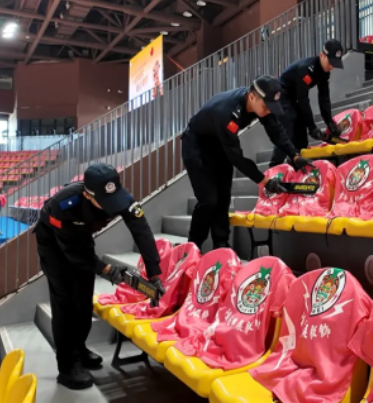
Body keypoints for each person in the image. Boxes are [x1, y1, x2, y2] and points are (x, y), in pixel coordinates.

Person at [35, 163, 165, 390]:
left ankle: (80, 349)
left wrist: (154, 273)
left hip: (81, 237)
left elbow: (141, 230)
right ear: (88, 195)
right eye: (106, 203)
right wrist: (107, 270)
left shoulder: (123, 198)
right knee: (66, 300)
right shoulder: (64, 205)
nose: (112, 208)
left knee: (84, 296)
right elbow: (74, 253)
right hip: (54, 243)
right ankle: (67, 366)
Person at [182, 75, 313, 249]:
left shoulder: (261, 105)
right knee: (209, 199)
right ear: (251, 97)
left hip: (220, 144)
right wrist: (264, 181)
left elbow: (276, 131)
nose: (268, 111)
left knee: (224, 197)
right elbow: (237, 157)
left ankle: (221, 243)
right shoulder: (227, 111)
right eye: (266, 107)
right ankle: (193, 245)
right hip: (197, 146)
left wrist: (295, 155)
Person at [269, 39, 345, 168]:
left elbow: (324, 98)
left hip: (295, 97)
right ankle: (273, 168)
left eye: (334, 64)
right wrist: (312, 127)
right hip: (282, 95)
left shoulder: (324, 72)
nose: (331, 67)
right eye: (330, 62)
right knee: (288, 127)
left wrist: (329, 122)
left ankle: (295, 166)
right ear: (322, 55)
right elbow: (303, 99)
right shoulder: (306, 69)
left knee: (301, 136)